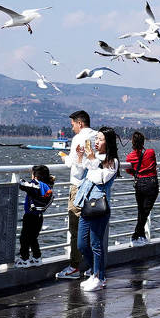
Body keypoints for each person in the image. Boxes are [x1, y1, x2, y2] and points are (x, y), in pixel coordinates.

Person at [70, 126, 118, 290]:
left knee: (96, 244)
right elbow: (81, 171)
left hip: (99, 208)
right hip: (86, 205)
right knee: (82, 245)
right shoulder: (95, 158)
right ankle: (95, 272)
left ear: (108, 142)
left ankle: (98, 277)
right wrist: (81, 156)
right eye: (96, 138)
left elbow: (100, 179)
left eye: (100, 139)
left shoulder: (112, 162)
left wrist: (90, 160)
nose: (96, 142)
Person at [59, 109, 102, 282]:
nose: (72, 129)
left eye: (73, 125)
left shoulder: (79, 138)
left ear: (80, 123)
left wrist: (64, 158)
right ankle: (94, 267)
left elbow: (75, 165)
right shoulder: (98, 136)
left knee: (75, 228)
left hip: (79, 188)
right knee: (92, 229)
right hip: (94, 188)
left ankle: (75, 266)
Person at [16, 162, 53, 266]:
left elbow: (22, 185)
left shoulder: (36, 186)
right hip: (39, 216)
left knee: (24, 238)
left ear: (35, 176)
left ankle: (24, 259)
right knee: (33, 238)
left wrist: (18, 178)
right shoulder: (48, 186)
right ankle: (37, 258)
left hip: (30, 216)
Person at [125, 131, 159, 244]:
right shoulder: (151, 152)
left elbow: (129, 170)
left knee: (142, 210)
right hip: (152, 183)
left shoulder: (130, 156)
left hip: (139, 183)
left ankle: (140, 235)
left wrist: (138, 173)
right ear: (143, 141)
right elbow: (153, 164)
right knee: (145, 211)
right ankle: (136, 235)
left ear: (133, 142)